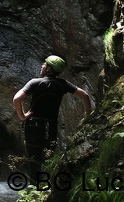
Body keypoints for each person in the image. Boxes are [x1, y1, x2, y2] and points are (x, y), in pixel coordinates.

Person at [13, 55, 91, 183]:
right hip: (51, 127)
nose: (42, 65)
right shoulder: (63, 84)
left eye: (44, 64)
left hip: (33, 126)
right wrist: (88, 114)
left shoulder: (35, 82)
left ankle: (33, 191)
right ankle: (48, 188)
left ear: (49, 68)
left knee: (34, 162)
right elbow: (85, 95)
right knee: (49, 160)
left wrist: (22, 116)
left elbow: (17, 98)